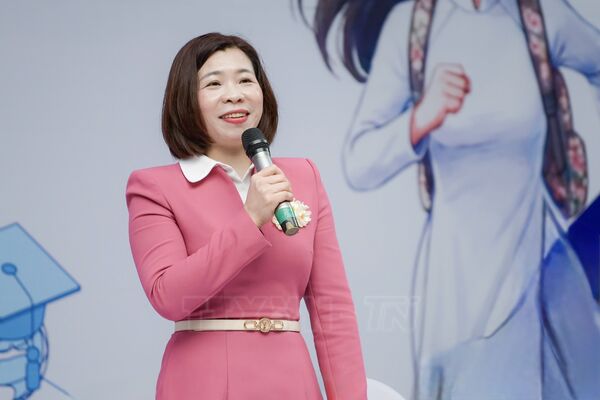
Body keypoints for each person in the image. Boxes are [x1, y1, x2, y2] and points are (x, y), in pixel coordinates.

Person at [302, 0, 600, 398]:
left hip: (537, 276)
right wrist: (420, 118)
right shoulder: (414, 26)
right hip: (458, 291)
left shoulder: (539, 17)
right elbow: (359, 161)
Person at [125, 33, 367, 399]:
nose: (234, 94)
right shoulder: (154, 187)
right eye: (214, 84)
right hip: (201, 384)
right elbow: (168, 296)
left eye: (245, 80)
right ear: (186, 99)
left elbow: (333, 310)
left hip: (292, 384)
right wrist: (250, 218)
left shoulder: (303, 176)